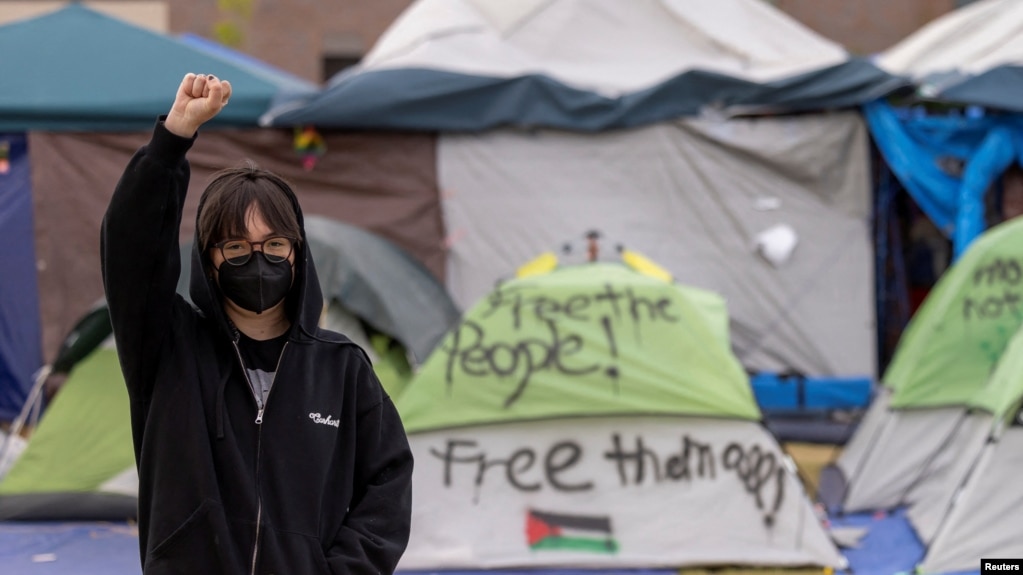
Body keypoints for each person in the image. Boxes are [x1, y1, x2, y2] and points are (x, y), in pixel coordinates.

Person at [101, 73, 413, 574]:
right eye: (236, 248)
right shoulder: (167, 348)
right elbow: (130, 248)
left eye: (273, 246)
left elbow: (389, 482)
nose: (258, 260)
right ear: (209, 259)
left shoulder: (343, 369)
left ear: (296, 253)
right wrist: (172, 140)